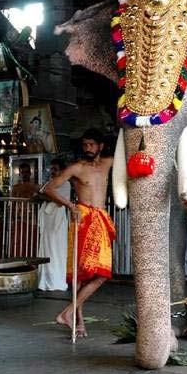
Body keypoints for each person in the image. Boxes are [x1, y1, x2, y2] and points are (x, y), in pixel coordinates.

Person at [43, 128, 116, 338]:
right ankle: (78, 322)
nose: (88, 148)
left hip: (100, 219)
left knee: (101, 274)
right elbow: (48, 188)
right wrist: (70, 205)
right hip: (83, 219)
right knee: (80, 275)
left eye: (92, 144)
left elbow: (126, 155)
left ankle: (67, 313)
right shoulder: (77, 168)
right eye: (85, 145)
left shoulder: (108, 163)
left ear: (100, 146)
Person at [38, 159, 71, 291]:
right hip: (48, 217)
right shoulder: (49, 183)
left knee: (56, 248)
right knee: (46, 247)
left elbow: (57, 200)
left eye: (55, 169)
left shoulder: (65, 184)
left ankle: (56, 281)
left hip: (57, 217)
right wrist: (47, 195)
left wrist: (47, 195)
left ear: (62, 171)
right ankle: (44, 280)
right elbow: (40, 194)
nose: (52, 171)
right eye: (51, 169)